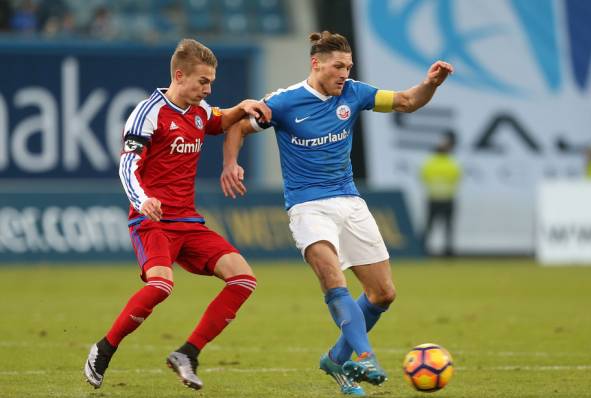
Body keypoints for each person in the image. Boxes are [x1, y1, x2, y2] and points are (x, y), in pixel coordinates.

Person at [220, 31, 453, 396]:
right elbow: (236, 126)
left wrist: (431, 84)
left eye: (348, 67)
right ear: (316, 64)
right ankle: (364, 355)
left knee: (383, 294)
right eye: (338, 66)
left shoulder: (354, 94)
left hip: (349, 201)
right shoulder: (283, 102)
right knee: (334, 279)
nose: (344, 73)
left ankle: (335, 359)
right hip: (307, 206)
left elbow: (408, 101)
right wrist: (231, 163)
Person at [83, 38, 271, 391]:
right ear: (180, 75)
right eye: (203, 82)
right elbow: (127, 165)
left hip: (188, 222)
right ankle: (104, 349)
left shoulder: (200, 112)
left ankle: (188, 353)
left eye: (211, 82)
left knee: (243, 278)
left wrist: (243, 105)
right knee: (160, 286)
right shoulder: (148, 112)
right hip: (152, 221)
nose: (208, 88)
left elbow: (223, 119)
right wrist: (142, 200)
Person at [420, 133, 462, 256]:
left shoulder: (430, 163)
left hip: (433, 198)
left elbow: (423, 177)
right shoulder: (452, 163)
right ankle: (448, 251)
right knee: (448, 227)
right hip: (448, 198)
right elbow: (457, 178)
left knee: (429, 226)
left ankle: (423, 250)